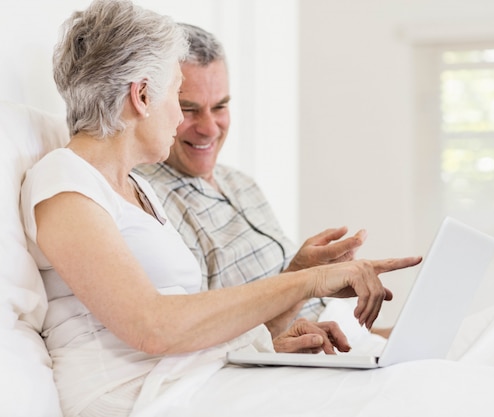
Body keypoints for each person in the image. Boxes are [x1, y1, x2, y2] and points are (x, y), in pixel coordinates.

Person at [19, 1, 420, 416]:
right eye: (178, 95)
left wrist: (266, 346)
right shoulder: (64, 180)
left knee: (401, 383)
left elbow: (186, 327)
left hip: (192, 380)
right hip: (134, 398)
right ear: (141, 96)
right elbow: (152, 326)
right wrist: (308, 282)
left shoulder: (135, 187)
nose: (180, 116)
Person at [134, 24, 391, 338]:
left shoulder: (240, 182)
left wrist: (314, 273)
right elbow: (200, 335)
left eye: (220, 107)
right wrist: (304, 276)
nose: (210, 128)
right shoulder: (148, 200)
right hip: (289, 351)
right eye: (189, 109)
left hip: (344, 331)